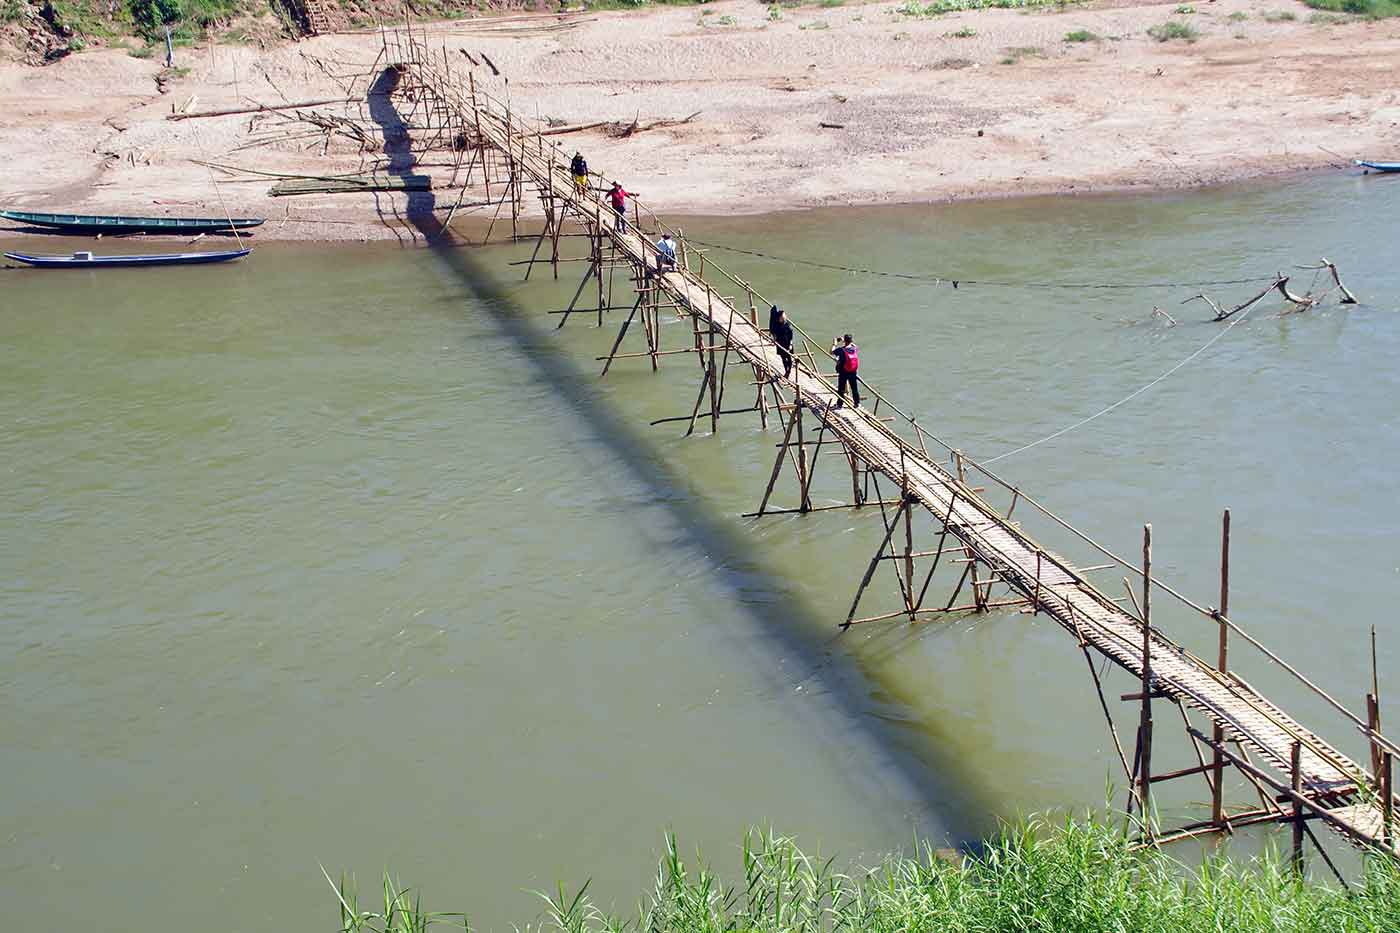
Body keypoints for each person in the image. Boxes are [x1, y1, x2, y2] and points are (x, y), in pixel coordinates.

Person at [831, 333, 860, 408]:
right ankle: (857, 403)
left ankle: (839, 404)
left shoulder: (841, 350)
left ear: (844, 341)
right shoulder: (855, 349)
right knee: (854, 388)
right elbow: (853, 344)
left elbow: (831, 352)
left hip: (843, 372)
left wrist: (834, 344)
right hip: (853, 372)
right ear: (851, 341)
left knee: (841, 389)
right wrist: (846, 340)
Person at [770, 306, 795, 379]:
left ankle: (789, 370)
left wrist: (790, 344)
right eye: (782, 317)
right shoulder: (777, 325)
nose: (783, 318)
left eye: (784, 317)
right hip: (780, 343)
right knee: (783, 357)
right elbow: (773, 331)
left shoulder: (788, 325)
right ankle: (786, 370)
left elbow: (791, 336)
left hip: (788, 343)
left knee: (789, 357)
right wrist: (773, 338)